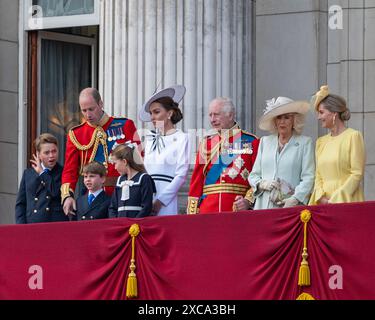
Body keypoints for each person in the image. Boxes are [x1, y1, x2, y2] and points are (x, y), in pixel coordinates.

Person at [61, 87, 141, 218]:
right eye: (84, 110)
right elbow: (70, 170)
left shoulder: (125, 125)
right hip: (93, 199)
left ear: (101, 104)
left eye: (91, 109)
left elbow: (139, 163)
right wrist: (67, 196)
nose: (88, 115)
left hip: (123, 194)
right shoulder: (76, 134)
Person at [187, 97, 259, 214]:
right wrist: (192, 213)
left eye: (216, 115)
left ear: (230, 115)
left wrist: (247, 201)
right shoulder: (206, 143)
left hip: (236, 210)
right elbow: (197, 181)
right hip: (208, 210)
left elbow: (258, 177)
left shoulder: (251, 141)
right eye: (210, 115)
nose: (212, 119)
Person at [248, 97, 315, 210]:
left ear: (294, 120)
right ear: (274, 121)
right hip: (263, 206)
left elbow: (309, 177)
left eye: (286, 117)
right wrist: (262, 184)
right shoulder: (265, 141)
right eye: (279, 118)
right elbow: (253, 175)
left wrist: (296, 199)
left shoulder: (305, 143)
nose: (282, 121)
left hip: (289, 207)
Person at [309, 85, 365, 205]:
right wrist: (321, 197)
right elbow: (318, 175)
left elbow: (357, 173)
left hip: (347, 201)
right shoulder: (320, 142)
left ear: (334, 113)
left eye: (321, 112)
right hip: (322, 204)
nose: (319, 117)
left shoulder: (353, 136)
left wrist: (336, 199)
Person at [139, 85, 190, 216]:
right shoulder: (149, 139)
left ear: (169, 113)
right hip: (146, 196)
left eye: (156, 112)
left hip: (167, 200)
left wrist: (160, 201)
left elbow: (181, 175)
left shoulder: (182, 138)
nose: (152, 117)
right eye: (151, 113)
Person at [15, 133, 68, 224]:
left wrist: (42, 173)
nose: (51, 155)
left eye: (54, 151)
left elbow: (55, 192)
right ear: (38, 154)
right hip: (32, 225)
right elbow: (21, 204)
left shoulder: (64, 172)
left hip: (54, 225)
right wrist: (21, 227)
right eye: (47, 153)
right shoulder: (28, 173)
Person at [108, 143, 156, 218]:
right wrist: (116, 222)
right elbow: (112, 207)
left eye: (115, 163)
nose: (115, 167)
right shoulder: (120, 180)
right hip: (120, 224)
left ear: (124, 162)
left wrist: (134, 223)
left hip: (137, 225)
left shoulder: (144, 178)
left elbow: (146, 207)